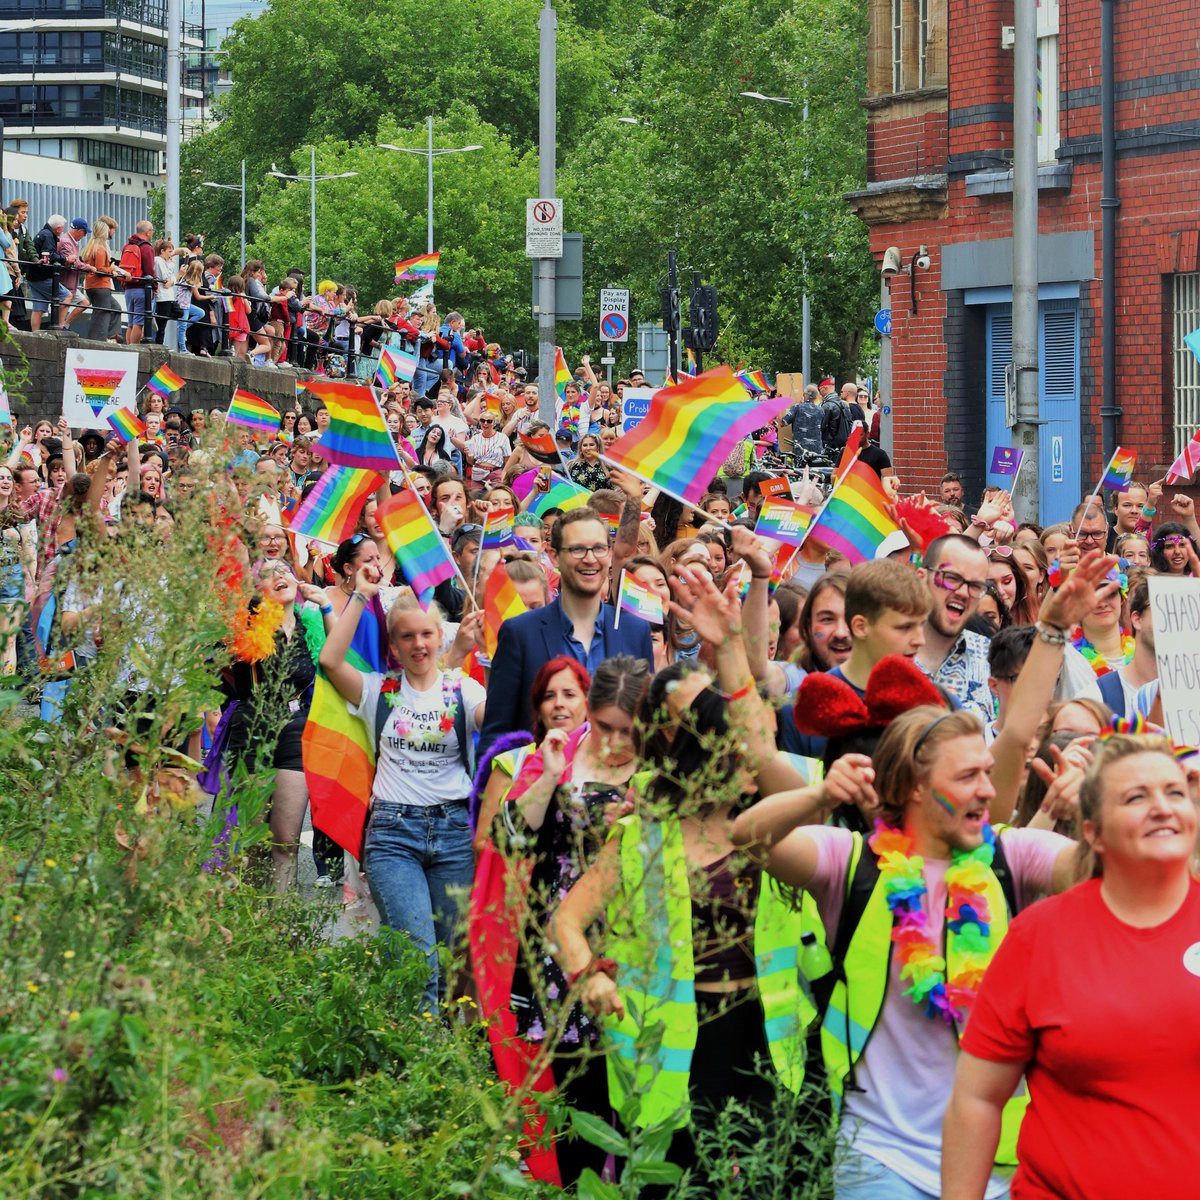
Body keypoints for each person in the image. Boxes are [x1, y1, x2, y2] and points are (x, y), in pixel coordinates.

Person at [732, 704, 1079, 1200]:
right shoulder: (850, 861)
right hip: (877, 1152)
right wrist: (820, 794)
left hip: (996, 1160)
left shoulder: (1011, 855)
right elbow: (748, 837)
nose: (988, 789)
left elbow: (1097, 871)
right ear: (915, 787)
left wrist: (1093, 811)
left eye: (987, 772)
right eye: (967, 776)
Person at [550, 567, 809, 1194]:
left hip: (768, 1044)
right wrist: (588, 977)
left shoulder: (770, 826)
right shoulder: (639, 835)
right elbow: (567, 923)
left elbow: (769, 750)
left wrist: (729, 649)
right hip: (672, 1054)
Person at [942, 733, 1200, 1200]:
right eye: (1136, 797)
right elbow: (977, 1098)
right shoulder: (1039, 936)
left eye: (1175, 792)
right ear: (1093, 833)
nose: (1162, 807)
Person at [499, 656, 650, 1185]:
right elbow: (507, 839)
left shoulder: (662, 769)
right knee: (574, 1103)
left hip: (635, 945)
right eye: (603, 726)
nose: (610, 742)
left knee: (637, 1102)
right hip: (558, 944)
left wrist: (643, 820)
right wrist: (549, 778)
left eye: (624, 731)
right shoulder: (561, 750)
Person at [319, 571, 486, 1014]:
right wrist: (358, 595)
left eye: (427, 634)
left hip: (454, 832)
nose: (418, 644)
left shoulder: (462, 689)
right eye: (407, 636)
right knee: (416, 958)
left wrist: (497, 651)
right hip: (393, 834)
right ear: (394, 646)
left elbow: (496, 720)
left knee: (452, 960)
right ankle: (418, 1060)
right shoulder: (379, 690)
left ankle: (449, 1060)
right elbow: (332, 662)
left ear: (440, 635)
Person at [479, 508, 655, 756]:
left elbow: (647, 725)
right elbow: (497, 735)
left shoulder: (634, 630)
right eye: (577, 549)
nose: (590, 559)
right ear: (554, 556)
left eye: (598, 548)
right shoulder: (520, 633)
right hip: (540, 785)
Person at [221, 562, 324, 891]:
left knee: (286, 843)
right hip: (254, 727)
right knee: (255, 843)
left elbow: (336, 658)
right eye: (268, 574)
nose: (280, 575)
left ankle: (278, 927)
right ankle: (251, 929)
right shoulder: (247, 624)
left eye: (284, 569)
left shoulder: (310, 626)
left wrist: (327, 605)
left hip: (296, 727)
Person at [915, 535, 993, 723]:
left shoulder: (992, 656)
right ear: (922, 578)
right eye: (951, 578)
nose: (963, 593)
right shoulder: (884, 651)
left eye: (975, 586)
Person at [82, 218, 130, 343]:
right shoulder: (101, 249)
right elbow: (100, 269)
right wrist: (111, 269)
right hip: (101, 286)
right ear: (105, 232)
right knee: (103, 314)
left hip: (91, 286)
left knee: (114, 308)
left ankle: (113, 335)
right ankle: (100, 339)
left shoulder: (91, 247)